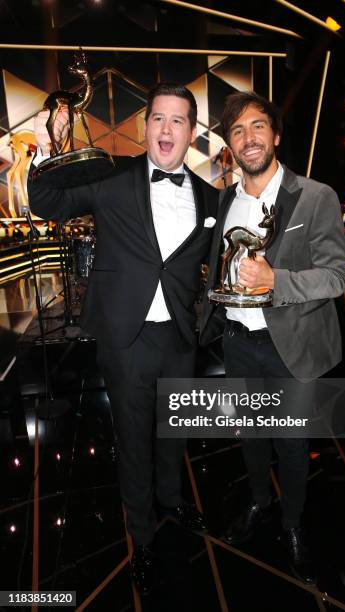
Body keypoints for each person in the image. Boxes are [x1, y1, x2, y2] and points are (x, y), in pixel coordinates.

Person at [28, 82, 218, 596]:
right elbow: (46, 201)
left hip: (180, 338)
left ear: (191, 133)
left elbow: (224, 264)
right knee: (134, 441)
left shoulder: (210, 199)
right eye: (158, 118)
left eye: (178, 120)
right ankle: (143, 536)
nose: (166, 129)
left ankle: (173, 498)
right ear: (145, 126)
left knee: (173, 432)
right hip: (125, 339)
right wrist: (51, 148)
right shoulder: (113, 179)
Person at [200, 91, 345, 584]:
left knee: (291, 442)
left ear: (276, 135)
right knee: (252, 436)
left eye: (258, 126)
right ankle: (262, 504)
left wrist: (276, 281)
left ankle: (292, 524)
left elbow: (335, 277)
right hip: (240, 343)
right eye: (238, 130)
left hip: (294, 348)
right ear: (230, 144)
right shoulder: (226, 199)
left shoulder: (314, 196)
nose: (249, 138)